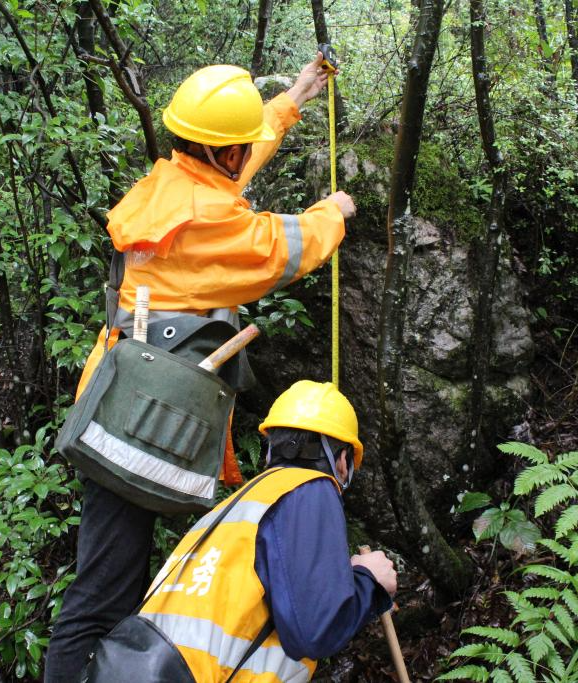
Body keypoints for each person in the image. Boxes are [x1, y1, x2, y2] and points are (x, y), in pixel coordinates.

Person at [45, 56, 358, 682]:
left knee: (119, 573)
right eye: (238, 149)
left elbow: (233, 167)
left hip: (122, 399)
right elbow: (279, 249)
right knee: (106, 589)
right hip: (144, 421)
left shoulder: (170, 185)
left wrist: (293, 97)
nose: (243, 157)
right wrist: (334, 213)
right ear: (222, 154)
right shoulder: (211, 219)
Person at [80, 380, 396, 682]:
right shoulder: (313, 489)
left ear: (271, 450)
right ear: (342, 462)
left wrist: (341, 578)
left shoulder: (236, 509)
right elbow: (315, 631)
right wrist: (370, 582)